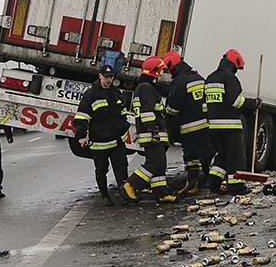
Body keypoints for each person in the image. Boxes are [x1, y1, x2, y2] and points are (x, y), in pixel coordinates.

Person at [74, 65, 130, 203]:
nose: (108, 80)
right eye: (106, 77)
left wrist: (124, 126)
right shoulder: (91, 95)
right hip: (99, 143)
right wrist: (81, 136)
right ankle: (105, 196)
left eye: (111, 77)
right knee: (101, 170)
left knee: (121, 168)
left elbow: (123, 113)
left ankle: (125, 195)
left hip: (117, 141)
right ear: (100, 76)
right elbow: (82, 117)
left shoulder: (116, 93)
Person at [122, 57, 176, 203]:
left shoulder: (144, 86)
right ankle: (131, 184)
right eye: (161, 71)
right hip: (152, 134)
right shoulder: (146, 88)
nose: (162, 74)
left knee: (160, 164)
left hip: (151, 133)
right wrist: (154, 130)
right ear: (155, 72)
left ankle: (161, 193)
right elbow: (147, 112)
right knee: (154, 163)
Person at [205, 49, 257, 194]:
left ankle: (213, 182)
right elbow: (235, 101)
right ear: (234, 65)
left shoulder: (210, 78)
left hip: (214, 126)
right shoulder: (230, 78)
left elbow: (205, 104)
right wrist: (253, 103)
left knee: (222, 154)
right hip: (230, 125)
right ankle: (236, 187)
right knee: (236, 156)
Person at [162, 51, 213, 197]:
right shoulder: (199, 78)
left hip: (189, 127)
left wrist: (168, 119)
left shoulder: (179, 82)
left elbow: (173, 108)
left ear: (172, 67)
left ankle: (194, 183)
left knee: (191, 156)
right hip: (204, 124)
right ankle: (209, 180)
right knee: (205, 154)